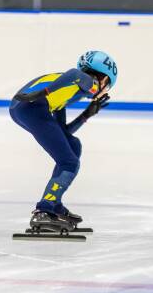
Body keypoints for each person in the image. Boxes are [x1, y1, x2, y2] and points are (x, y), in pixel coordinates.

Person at [10, 51, 117, 233]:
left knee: (73, 145)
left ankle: (54, 203)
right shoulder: (88, 82)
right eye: (108, 87)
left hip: (26, 108)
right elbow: (74, 74)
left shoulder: (67, 91)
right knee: (69, 162)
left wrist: (86, 114)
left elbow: (63, 133)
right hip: (32, 107)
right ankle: (45, 208)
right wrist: (41, 93)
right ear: (104, 79)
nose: (104, 91)